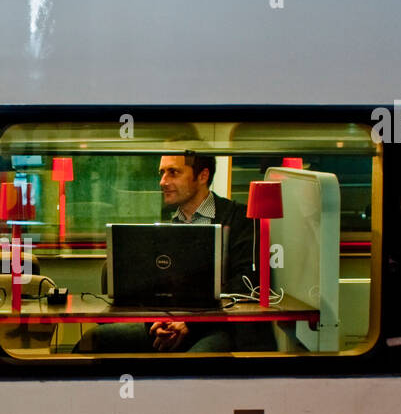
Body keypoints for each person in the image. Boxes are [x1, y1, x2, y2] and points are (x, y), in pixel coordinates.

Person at [75, 150, 266, 353]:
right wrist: (156, 323)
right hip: (168, 324)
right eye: (162, 173)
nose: (163, 181)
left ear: (202, 176)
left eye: (173, 172)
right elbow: (155, 287)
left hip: (217, 326)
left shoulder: (239, 219)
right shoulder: (168, 227)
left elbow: (246, 283)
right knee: (94, 340)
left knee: (196, 361)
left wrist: (190, 323)